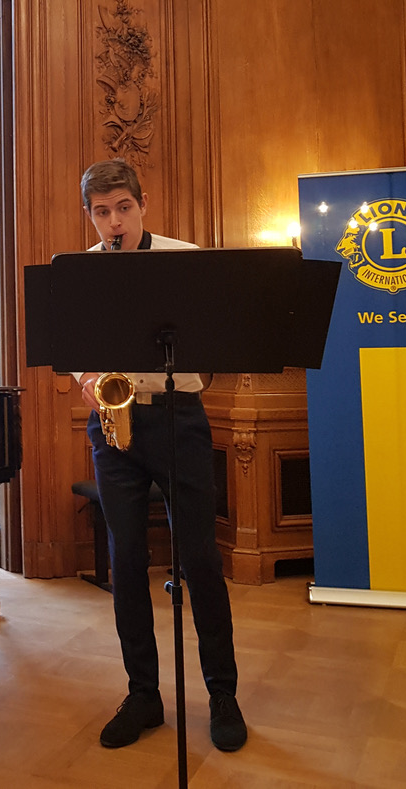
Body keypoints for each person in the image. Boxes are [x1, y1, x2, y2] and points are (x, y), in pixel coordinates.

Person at [73, 159, 247, 752]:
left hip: (178, 418)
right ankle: (143, 694)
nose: (114, 222)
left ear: (143, 204)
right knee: (126, 561)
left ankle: (222, 693)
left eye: (123, 208)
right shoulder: (83, 270)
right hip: (114, 424)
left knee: (200, 558)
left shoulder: (183, 259)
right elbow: (71, 345)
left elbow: (215, 338)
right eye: (102, 212)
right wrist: (88, 378)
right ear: (90, 215)